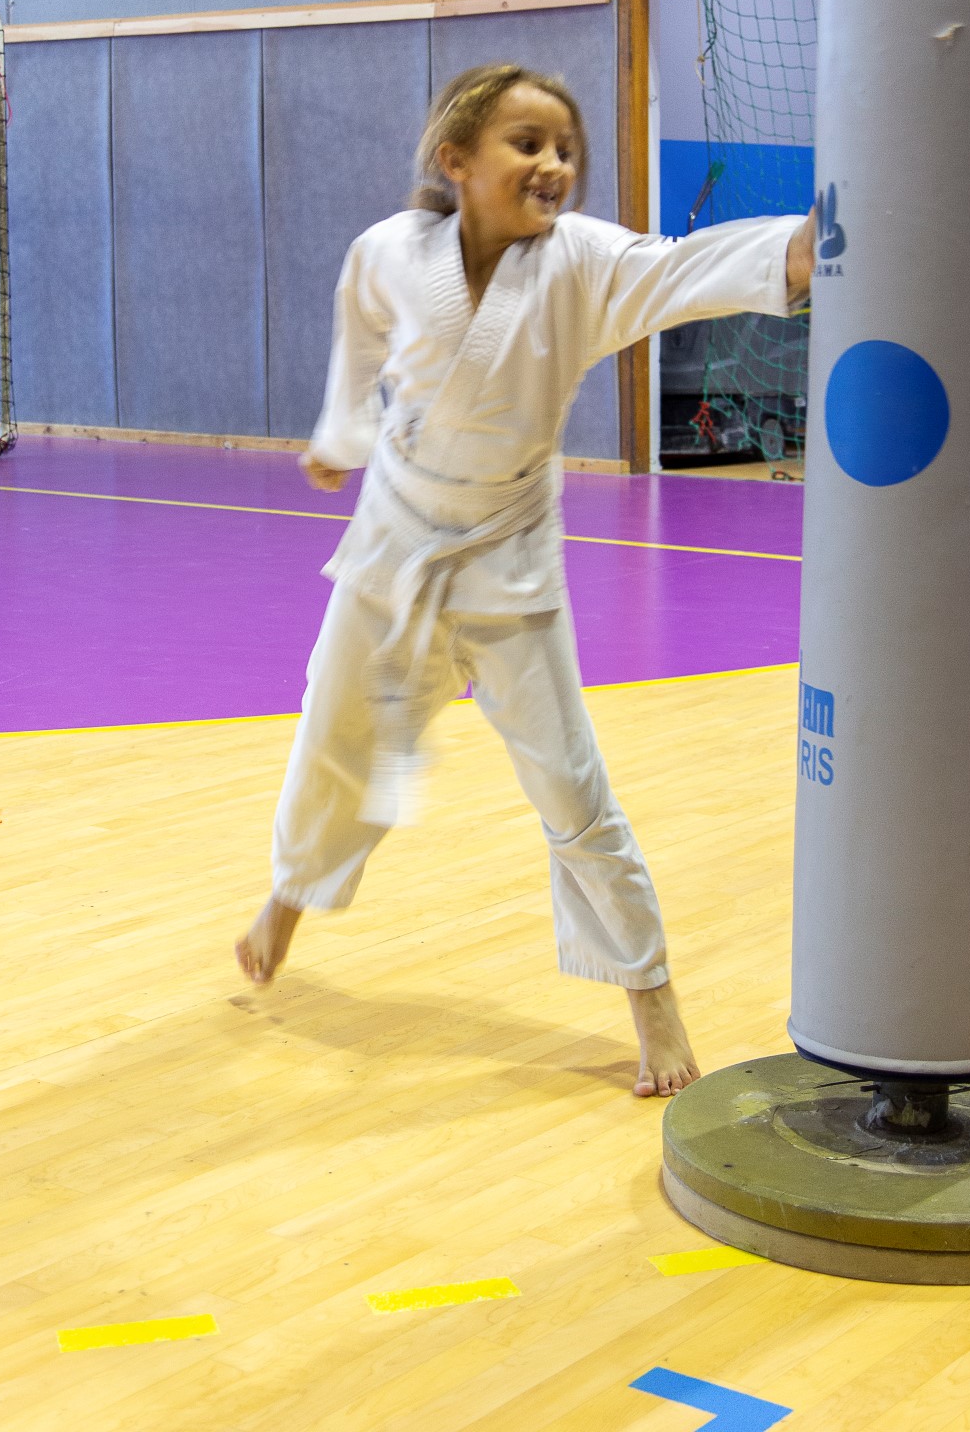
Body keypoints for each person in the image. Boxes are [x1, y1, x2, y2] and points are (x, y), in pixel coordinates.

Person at [236, 63, 815, 1097]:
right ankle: (288, 895)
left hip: (508, 556)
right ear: (455, 160)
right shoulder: (388, 252)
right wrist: (341, 433)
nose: (553, 163)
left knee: (569, 785)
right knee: (337, 735)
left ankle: (649, 991)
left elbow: (684, 269)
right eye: (527, 143)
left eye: (564, 148)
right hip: (394, 542)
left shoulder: (580, 263)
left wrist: (802, 247)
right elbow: (358, 334)